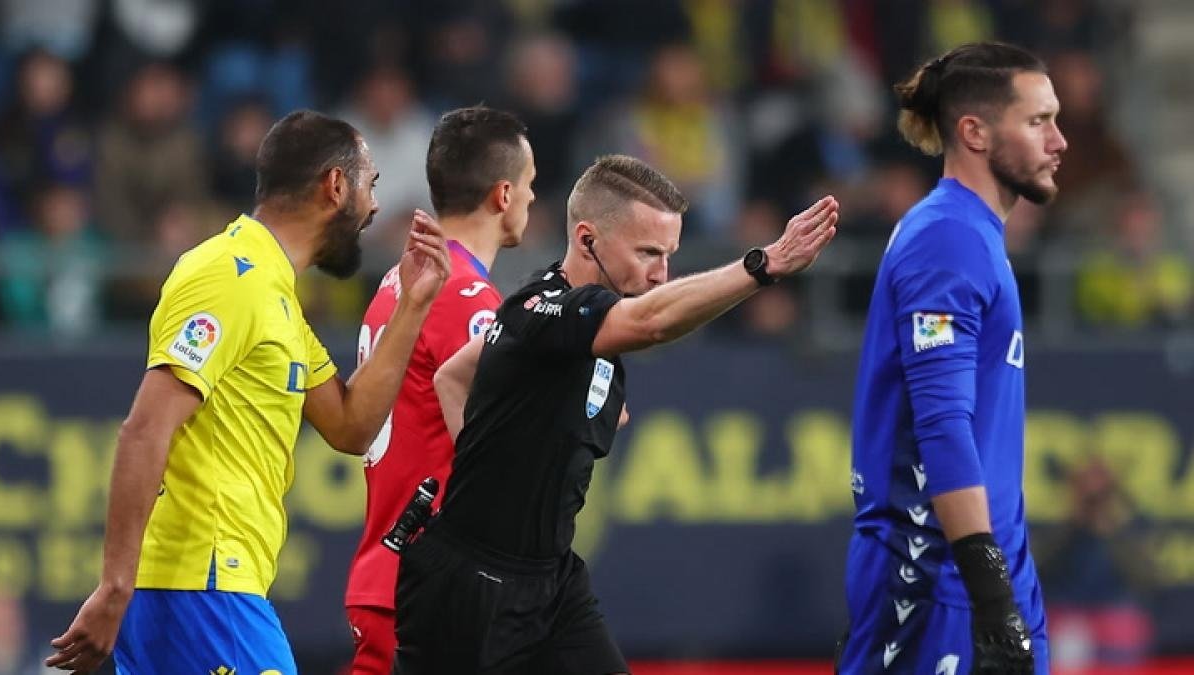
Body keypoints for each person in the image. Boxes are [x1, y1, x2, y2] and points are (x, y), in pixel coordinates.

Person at [44, 109, 452, 674]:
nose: (375, 206)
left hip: (208, 586)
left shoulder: (275, 293)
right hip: (202, 584)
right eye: (371, 184)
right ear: (336, 186)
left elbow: (351, 426)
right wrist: (115, 585)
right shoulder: (228, 275)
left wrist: (413, 305)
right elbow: (145, 427)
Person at [398, 154, 838, 674]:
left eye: (668, 254)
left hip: (552, 579)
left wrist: (498, 456)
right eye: (648, 252)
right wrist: (762, 266)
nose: (661, 273)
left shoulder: (579, 332)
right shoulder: (545, 310)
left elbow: (453, 376)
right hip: (473, 586)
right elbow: (652, 323)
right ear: (587, 240)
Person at [840, 42, 1068, 675]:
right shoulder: (948, 239)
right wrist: (989, 593)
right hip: (936, 575)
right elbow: (942, 426)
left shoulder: (971, 235)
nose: (1059, 141)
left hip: (984, 571)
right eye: (1038, 122)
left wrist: (1004, 585)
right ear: (974, 132)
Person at [342, 105, 535, 675]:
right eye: (529, 183)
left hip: (392, 573)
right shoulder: (463, 296)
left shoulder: (399, 282)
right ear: (503, 194)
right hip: (428, 587)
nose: (532, 197)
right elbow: (503, 442)